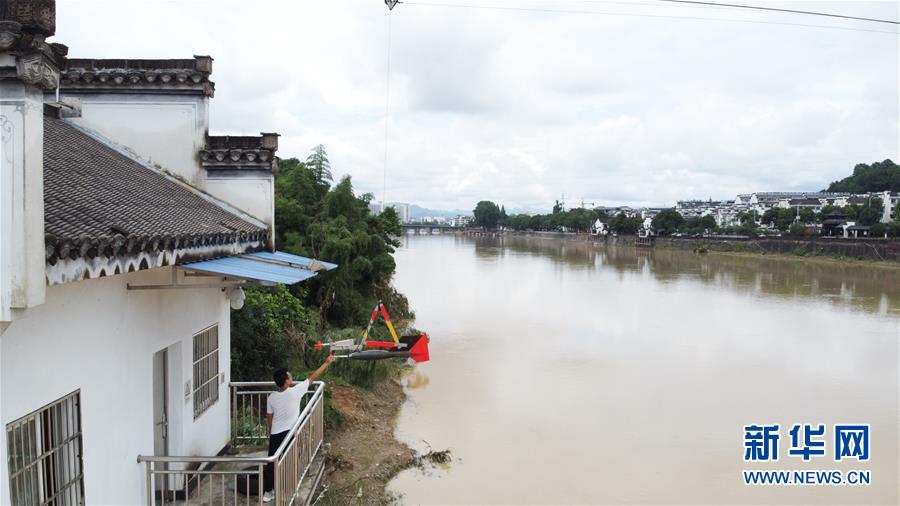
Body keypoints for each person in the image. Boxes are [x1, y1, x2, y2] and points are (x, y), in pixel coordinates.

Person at [262, 354, 335, 503]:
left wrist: (271, 430)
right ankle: (288, 490)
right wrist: (327, 362)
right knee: (290, 461)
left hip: (275, 433)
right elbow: (313, 377)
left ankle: (268, 492)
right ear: (286, 381)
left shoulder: (272, 397)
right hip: (290, 434)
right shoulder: (295, 391)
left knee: (272, 463)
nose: (291, 376)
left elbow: (269, 416)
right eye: (289, 375)